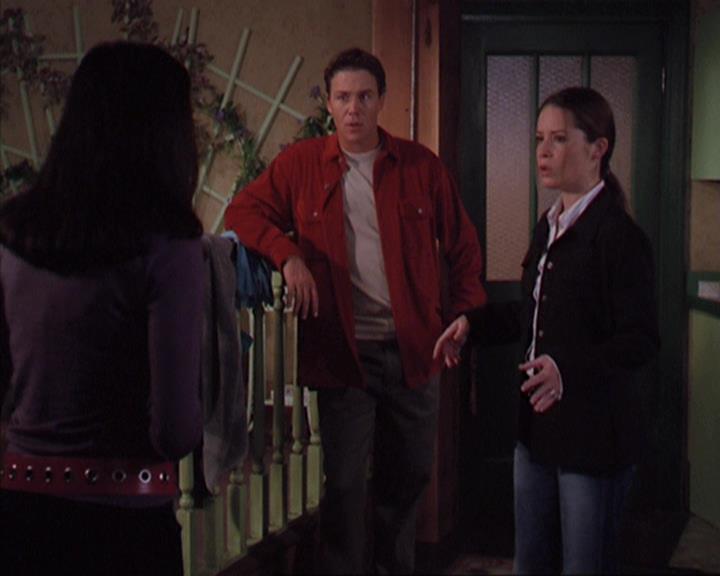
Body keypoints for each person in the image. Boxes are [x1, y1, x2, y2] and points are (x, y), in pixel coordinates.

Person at [224, 47, 486, 574]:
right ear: (329, 103)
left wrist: (463, 312)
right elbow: (242, 212)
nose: (353, 109)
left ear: (381, 100)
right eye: (343, 97)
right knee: (343, 486)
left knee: (407, 481)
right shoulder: (301, 164)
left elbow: (462, 246)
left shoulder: (419, 166)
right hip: (344, 353)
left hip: (415, 352)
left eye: (364, 97)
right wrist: (287, 255)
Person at [0, 42, 204, 575]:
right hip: (124, 522)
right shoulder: (169, 244)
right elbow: (174, 431)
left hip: (20, 511)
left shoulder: (13, 232)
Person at [502, 87, 660, 574]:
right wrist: (469, 324)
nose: (544, 152)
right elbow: (533, 314)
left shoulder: (619, 237)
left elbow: (639, 341)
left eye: (559, 139)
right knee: (530, 564)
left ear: (598, 148)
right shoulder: (548, 226)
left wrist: (566, 369)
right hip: (536, 433)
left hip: (594, 441)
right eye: (539, 139)